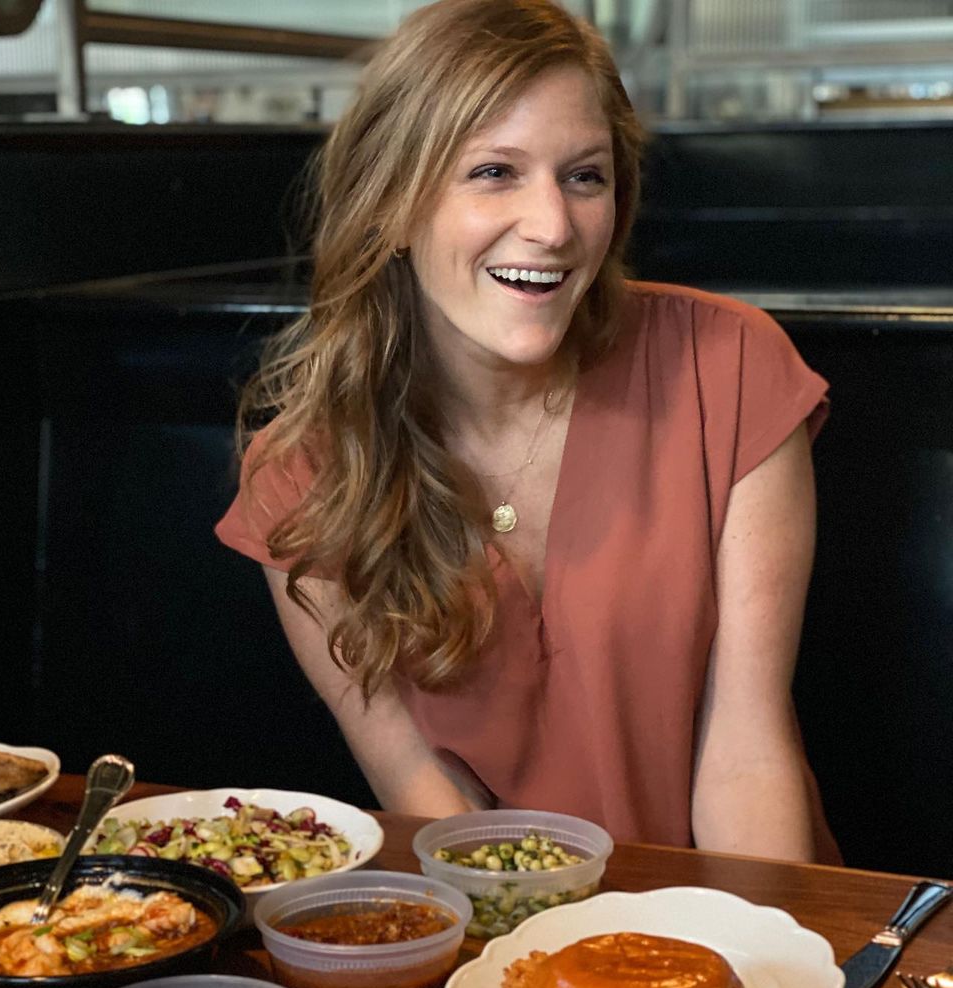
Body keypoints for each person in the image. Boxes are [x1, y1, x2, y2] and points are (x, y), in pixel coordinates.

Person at [217, 0, 840, 863]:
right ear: (389, 202)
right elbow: (425, 793)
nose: (552, 226)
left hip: (745, 899)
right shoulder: (300, 476)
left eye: (584, 177)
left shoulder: (729, 366)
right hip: (500, 919)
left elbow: (744, 752)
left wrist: (743, 940)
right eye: (494, 172)